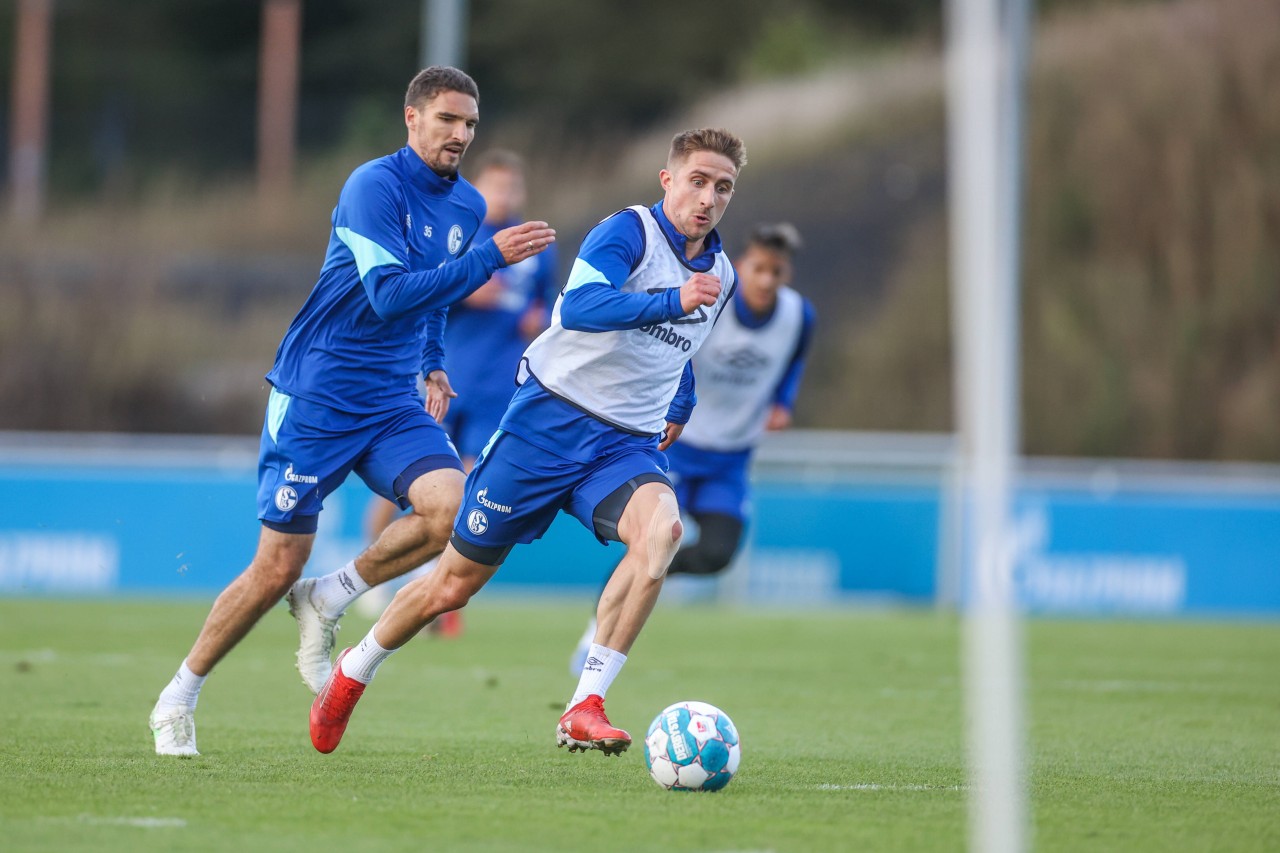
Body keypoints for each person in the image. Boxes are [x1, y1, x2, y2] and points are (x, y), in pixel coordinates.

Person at [147, 66, 556, 756]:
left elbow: (427, 304)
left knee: (453, 506)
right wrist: (488, 260)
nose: (460, 134)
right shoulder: (372, 187)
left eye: (470, 124)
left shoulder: (465, 208)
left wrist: (432, 360)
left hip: (390, 396)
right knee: (276, 564)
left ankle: (332, 593)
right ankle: (178, 694)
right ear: (412, 118)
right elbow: (391, 292)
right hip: (316, 393)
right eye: (448, 120)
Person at [307, 127, 748, 758]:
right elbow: (582, 310)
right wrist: (671, 298)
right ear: (668, 181)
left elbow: (682, 350)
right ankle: (355, 670)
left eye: (723, 187)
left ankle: (584, 705)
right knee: (451, 586)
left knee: (662, 535)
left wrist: (682, 399)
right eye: (698, 181)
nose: (707, 198)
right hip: (544, 425)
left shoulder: (723, 274)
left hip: (621, 445)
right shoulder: (628, 232)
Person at [568, 222, 815, 672]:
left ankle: (665, 570)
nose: (765, 280)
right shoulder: (712, 299)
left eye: (776, 272)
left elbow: (793, 363)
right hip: (678, 445)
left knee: (718, 554)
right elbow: (673, 353)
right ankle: (592, 635)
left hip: (732, 456)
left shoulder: (799, 316)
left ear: (787, 275)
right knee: (644, 544)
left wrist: (784, 402)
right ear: (742, 265)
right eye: (758, 268)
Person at [359, 150, 559, 635]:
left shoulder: (535, 245)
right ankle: (371, 576)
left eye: (512, 188)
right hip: (446, 374)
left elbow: (550, 302)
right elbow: (422, 292)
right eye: (496, 186)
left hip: (500, 384)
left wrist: (540, 318)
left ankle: (432, 584)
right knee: (407, 481)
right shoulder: (463, 232)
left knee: (468, 487)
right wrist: (467, 290)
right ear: (479, 188)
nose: (504, 196)